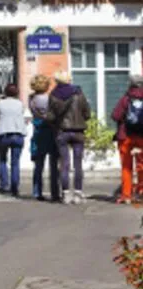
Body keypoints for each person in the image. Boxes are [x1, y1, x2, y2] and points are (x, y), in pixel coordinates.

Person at [47, 71, 91, 204]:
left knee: (64, 164)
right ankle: (78, 193)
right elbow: (87, 114)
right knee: (78, 163)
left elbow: (51, 117)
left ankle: (65, 194)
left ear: (57, 81)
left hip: (62, 131)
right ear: (69, 80)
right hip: (78, 131)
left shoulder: (53, 95)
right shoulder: (78, 93)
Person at [110, 73, 143, 204]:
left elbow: (115, 116)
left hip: (125, 136)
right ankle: (141, 192)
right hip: (142, 137)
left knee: (126, 167)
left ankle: (126, 195)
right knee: (142, 165)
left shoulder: (126, 98)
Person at [28, 74, 59, 202]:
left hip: (37, 130)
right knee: (54, 164)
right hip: (50, 130)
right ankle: (55, 192)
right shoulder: (49, 99)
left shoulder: (31, 99)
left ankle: (37, 191)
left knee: (38, 165)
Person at [0, 83, 25, 196]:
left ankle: (4, 185)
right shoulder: (20, 104)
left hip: (3, 133)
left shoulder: (0, 103)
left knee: (2, 160)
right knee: (15, 162)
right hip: (17, 132)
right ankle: (15, 186)